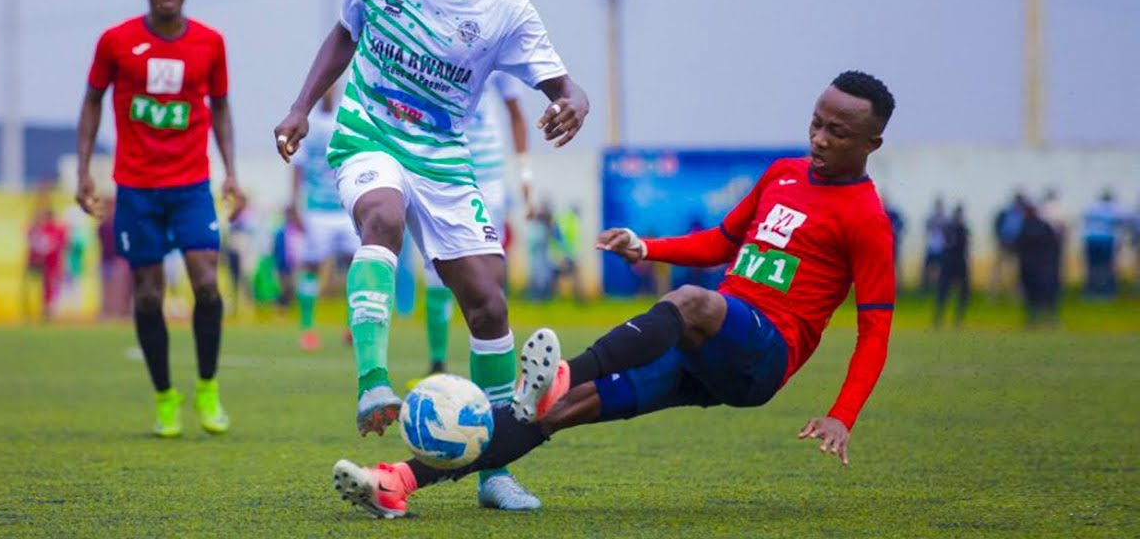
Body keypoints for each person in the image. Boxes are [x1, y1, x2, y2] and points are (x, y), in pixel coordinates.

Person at [330, 70, 897, 519]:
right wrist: (646, 247)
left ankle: (562, 373)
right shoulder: (783, 174)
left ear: (871, 142)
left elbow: (875, 330)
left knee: (691, 302)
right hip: (702, 348)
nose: (819, 138)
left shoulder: (867, 219)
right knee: (550, 412)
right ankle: (397, 481)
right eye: (816, 123)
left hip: (763, 353)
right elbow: (722, 241)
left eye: (837, 133)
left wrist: (842, 415)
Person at [274, 0, 589, 511]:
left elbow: (561, 84)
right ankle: (373, 381)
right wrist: (302, 107)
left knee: (489, 305)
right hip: (368, 133)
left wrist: (575, 102)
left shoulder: (506, 10)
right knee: (382, 217)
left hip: (445, 158)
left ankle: (495, 475)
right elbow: (344, 35)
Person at [75, 0, 246, 438]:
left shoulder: (210, 43)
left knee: (206, 282)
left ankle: (207, 387)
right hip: (136, 188)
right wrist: (84, 171)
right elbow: (92, 102)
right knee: (148, 295)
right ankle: (165, 397)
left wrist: (230, 172)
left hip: (190, 185)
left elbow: (221, 108)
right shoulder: (116, 42)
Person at [417, 71, 534, 378]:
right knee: (436, 268)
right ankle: (437, 363)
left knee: (489, 267)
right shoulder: (433, 48)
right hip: (444, 171)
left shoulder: (499, 51)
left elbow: (516, 112)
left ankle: (496, 366)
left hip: (488, 178)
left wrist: (524, 174)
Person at [290, 85, 359, 351]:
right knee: (311, 266)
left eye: (332, 88)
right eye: (325, 89)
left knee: (356, 265)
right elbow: (298, 167)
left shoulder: (347, 119)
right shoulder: (308, 124)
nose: (329, 92)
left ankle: (352, 326)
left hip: (344, 208)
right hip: (317, 209)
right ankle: (307, 328)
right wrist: (295, 203)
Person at [1014, 196, 1059, 327]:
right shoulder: (1028, 226)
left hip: (1039, 266)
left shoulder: (1038, 226)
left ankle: (1047, 318)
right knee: (1032, 293)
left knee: (1043, 292)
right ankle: (1035, 318)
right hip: (1032, 266)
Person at [933, 203, 970, 329]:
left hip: (958, 264)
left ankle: (957, 319)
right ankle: (939, 318)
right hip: (949, 263)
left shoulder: (961, 228)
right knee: (943, 291)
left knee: (962, 292)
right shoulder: (950, 228)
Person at [1082, 190, 1123, 298]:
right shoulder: (1114, 208)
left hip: (1091, 239)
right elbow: (1123, 220)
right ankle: (1106, 291)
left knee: (1092, 266)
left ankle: (1091, 290)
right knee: (1106, 266)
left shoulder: (1091, 208)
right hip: (1106, 240)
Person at [920, 197, 946, 293]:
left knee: (940, 269)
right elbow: (926, 228)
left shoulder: (944, 218)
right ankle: (926, 287)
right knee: (927, 268)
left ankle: (938, 286)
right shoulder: (931, 217)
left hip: (941, 247)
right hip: (932, 246)